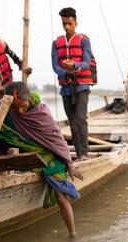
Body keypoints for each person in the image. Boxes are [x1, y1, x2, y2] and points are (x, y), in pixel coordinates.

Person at [0, 82, 82, 238]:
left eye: (23, 106)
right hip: (26, 154)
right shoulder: (3, 107)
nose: (20, 111)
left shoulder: (42, 113)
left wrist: (70, 163)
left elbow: (58, 141)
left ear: (29, 99)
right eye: (15, 108)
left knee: (61, 197)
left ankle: (73, 234)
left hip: (50, 155)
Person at [52, 7, 97, 162]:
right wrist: (65, 71)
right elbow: (55, 67)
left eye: (69, 23)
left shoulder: (84, 40)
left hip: (82, 86)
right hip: (66, 87)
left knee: (80, 119)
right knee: (72, 120)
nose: (67, 27)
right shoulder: (56, 43)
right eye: (64, 24)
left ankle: (83, 154)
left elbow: (86, 63)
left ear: (75, 23)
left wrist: (74, 65)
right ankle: (78, 154)